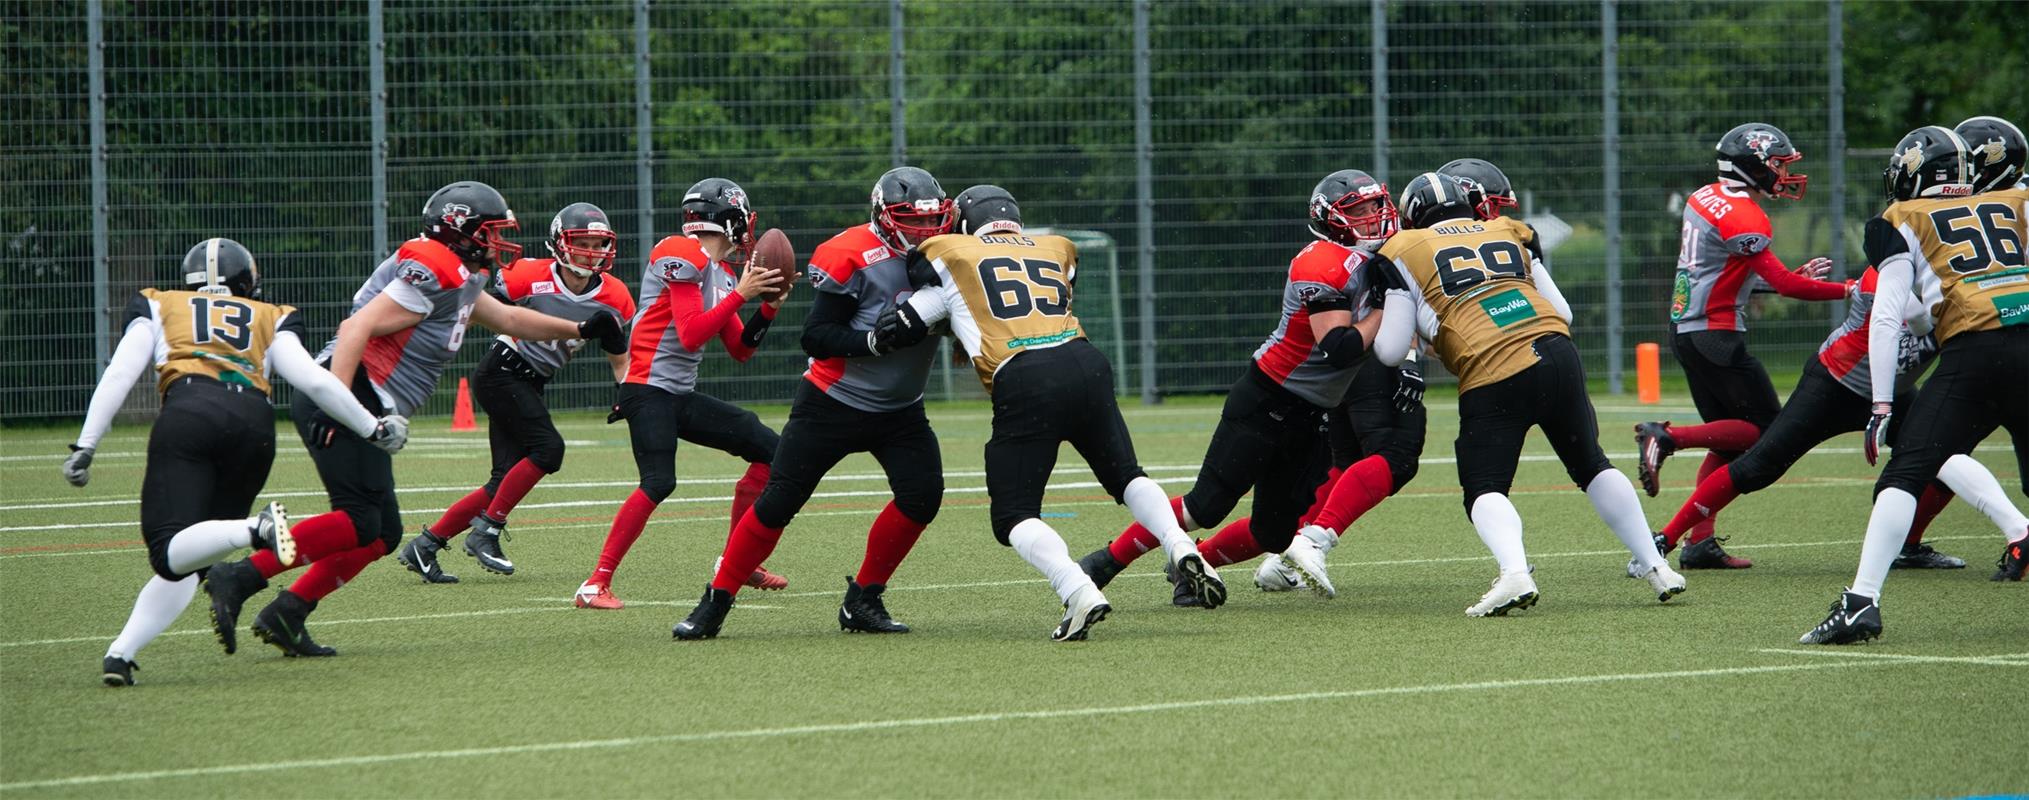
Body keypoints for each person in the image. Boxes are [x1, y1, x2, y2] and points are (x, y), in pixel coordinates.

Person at [202, 181, 625, 656]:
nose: (499, 242)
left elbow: (508, 320)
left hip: (363, 401)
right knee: (359, 521)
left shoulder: (461, 276)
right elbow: (355, 326)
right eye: (491, 232)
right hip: (348, 393)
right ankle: (239, 576)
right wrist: (339, 403)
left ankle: (289, 610)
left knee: (381, 532)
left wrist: (582, 328)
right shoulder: (435, 267)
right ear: (461, 232)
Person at [854, 184, 1218, 641]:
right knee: (1126, 475)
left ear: (963, 224)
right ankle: (1180, 544)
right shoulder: (1055, 247)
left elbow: (905, 321)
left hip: (1025, 377)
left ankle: (1077, 588)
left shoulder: (949, 251)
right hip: (1085, 361)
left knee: (1014, 514)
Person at [64, 238, 406, 685]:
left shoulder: (159, 303)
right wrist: (372, 427)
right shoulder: (272, 315)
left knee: (168, 551)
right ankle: (121, 655)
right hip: (253, 428)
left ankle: (257, 530)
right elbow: (314, 381)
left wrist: (87, 443)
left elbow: (121, 371)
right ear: (247, 280)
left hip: (189, 415)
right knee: (192, 555)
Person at [1372, 172, 1686, 616]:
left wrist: (1431, 335)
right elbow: (1562, 311)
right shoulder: (1508, 230)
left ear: (1412, 218)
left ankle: (1515, 574)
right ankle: (1657, 567)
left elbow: (1388, 350)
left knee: (1484, 486)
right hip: (1558, 351)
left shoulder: (1400, 249)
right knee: (1592, 465)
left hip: (1493, 366)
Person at [1078, 169, 1396, 605]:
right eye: (1358, 211)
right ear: (1331, 220)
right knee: (1204, 507)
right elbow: (1339, 348)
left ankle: (1193, 569)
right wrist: (1386, 304)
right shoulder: (1320, 262)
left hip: (1314, 416)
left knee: (1275, 531)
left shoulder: (1382, 257)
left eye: (1376, 207)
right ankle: (1104, 563)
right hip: (1268, 400)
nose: (1373, 218)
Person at [671, 167, 953, 638]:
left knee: (922, 497)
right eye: (911, 220)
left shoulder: (951, 254)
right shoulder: (849, 253)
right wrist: (874, 342)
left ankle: (863, 599)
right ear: (884, 217)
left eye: (931, 221)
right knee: (779, 501)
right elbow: (817, 336)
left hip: (902, 409)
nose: (923, 231)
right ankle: (716, 600)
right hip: (832, 401)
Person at [1254, 156, 1527, 596]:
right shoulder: (1412, 242)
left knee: (1342, 467)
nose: (1495, 218)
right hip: (1373, 361)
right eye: (1491, 207)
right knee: (1395, 456)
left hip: (1351, 371)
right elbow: (1400, 307)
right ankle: (1311, 542)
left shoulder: (1397, 240)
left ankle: (1227, 557)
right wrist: (1412, 361)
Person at [1801, 123, 2029, 644]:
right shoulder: (2016, 200)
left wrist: (1881, 403)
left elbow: (1886, 319)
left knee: (1902, 477)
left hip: (1975, 352)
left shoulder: (1901, 218)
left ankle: (1860, 604)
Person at [1634, 123, 1853, 570]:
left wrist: (1788, 277)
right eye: (1776, 163)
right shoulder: (1746, 216)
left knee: (1729, 442)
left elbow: (1726, 274)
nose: (1781, 172)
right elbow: (1785, 286)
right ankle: (1668, 435)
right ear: (1751, 164)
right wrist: (1850, 289)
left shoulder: (1705, 196)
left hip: (1688, 332)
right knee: (1766, 432)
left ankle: (1700, 543)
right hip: (1717, 337)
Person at [574, 178, 790, 610]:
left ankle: (736, 561)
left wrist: (768, 307)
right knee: (659, 482)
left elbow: (740, 350)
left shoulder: (723, 274)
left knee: (771, 451)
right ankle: (594, 584)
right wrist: (742, 296)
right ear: (729, 220)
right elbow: (691, 335)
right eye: (742, 221)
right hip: (646, 390)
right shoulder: (679, 252)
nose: (748, 230)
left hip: (678, 395)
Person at [395, 202, 636, 582]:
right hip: (503, 370)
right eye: (582, 241)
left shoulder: (616, 296)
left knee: (502, 480)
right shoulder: (527, 275)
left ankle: (425, 546)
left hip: (530, 380)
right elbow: (483, 313)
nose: (592, 250)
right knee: (549, 450)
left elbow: (620, 358)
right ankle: (486, 532)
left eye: (598, 242)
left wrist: (627, 394)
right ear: (560, 243)